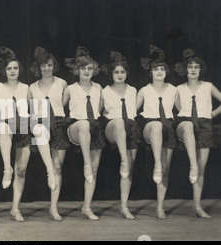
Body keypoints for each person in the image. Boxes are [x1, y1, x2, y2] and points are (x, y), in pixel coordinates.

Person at [173, 49, 221, 218]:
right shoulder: (178, 88)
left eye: (196, 67)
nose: (193, 69)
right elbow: (178, 107)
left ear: (201, 70)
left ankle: (197, 206)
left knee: (201, 168)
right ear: (185, 70)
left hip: (205, 124)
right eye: (190, 67)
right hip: (186, 123)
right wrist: (185, 114)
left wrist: (213, 114)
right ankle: (192, 165)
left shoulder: (208, 86)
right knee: (194, 163)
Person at [63, 46, 105, 220]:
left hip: (93, 128)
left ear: (93, 70)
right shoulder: (70, 89)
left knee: (94, 170)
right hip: (75, 127)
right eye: (83, 68)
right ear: (77, 70)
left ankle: (86, 207)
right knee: (83, 124)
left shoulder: (99, 88)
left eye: (89, 68)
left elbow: (100, 109)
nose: (87, 71)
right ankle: (86, 163)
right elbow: (61, 108)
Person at [137, 45, 177, 219]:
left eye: (162, 69)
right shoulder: (144, 90)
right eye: (156, 69)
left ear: (166, 72)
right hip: (150, 125)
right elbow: (132, 111)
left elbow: (182, 111)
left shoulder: (174, 90)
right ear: (150, 72)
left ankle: (160, 207)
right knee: (156, 126)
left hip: (167, 126)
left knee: (166, 169)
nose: (159, 72)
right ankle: (157, 164)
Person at [100, 51, 141, 219]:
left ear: (126, 73)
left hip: (130, 128)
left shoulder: (133, 90)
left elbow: (136, 112)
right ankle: (123, 159)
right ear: (111, 74)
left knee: (128, 171)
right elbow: (98, 112)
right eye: (116, 72)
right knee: (117, 122)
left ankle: (124, 206)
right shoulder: (105, 91)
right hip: (112, 127)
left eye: (122, 72)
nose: (119, 75)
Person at [28, 46, 67, 221]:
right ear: (38, 67)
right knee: (39, 131)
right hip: (41, 123)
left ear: (53, 66)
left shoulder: (62, 83)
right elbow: (30, 111)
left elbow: (64, 105)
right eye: (43, 65)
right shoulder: (32, 87)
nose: (46, 68)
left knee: (58, 165)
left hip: (58, 123)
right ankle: (49, 172)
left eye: (49, 65)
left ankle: (53, 207)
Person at [0, 47, 31, 222]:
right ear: (4, 71)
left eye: (15, 68)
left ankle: (15, 208)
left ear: (19, 70)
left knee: (22, 170)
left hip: (22, 129)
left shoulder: (26, 88)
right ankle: (6, 169)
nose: (12, 71)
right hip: (5, 126)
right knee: (4, 128)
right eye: (9, 68)